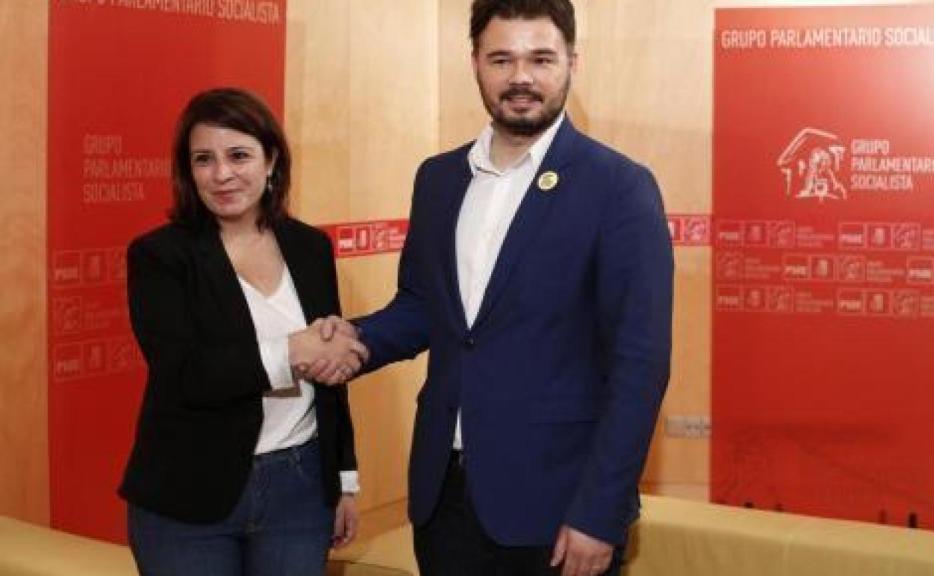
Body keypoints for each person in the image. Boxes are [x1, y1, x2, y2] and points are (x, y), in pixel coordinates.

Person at [338, 1, 674, 574]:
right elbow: (424, 307)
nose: (521, 76)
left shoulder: (619, 187)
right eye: (501, 58)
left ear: (572, 61)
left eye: (541, 58)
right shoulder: (437, 179)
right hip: (442, 500)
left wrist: (600, 513)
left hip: (558, 507)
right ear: (475, 63)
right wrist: (352, 340)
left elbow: (639, 365)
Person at [119, 87, 369, 576]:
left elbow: (331, 381)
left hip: (300, 491)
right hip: (188, 496)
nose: (222, 174)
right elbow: (185, 374)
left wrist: (344, 481)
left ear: (271, 159)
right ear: (187, 171)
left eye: (238, 155)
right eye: (203, 159)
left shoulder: (310, 247)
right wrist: (292, 350)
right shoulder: (159, 256)